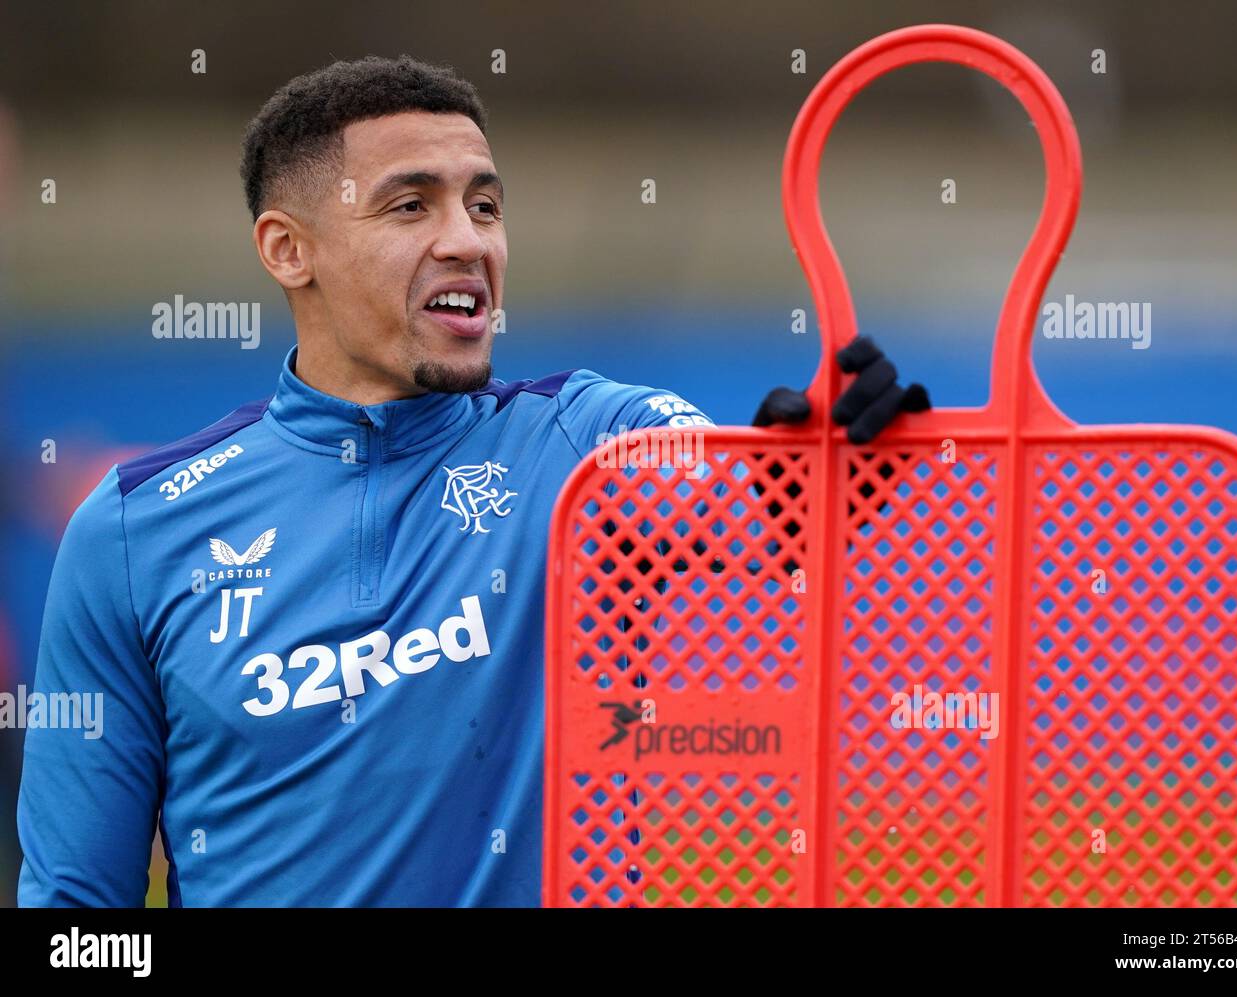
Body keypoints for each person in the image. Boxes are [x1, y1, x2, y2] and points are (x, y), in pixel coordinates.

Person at [16, 55, 927, 906]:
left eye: (484, 207)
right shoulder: (133, 531)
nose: (467, 241)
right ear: (289, 249)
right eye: (411, 206)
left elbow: (762, 510)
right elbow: (76, 921)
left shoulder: (588, 441)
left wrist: (823, 460)